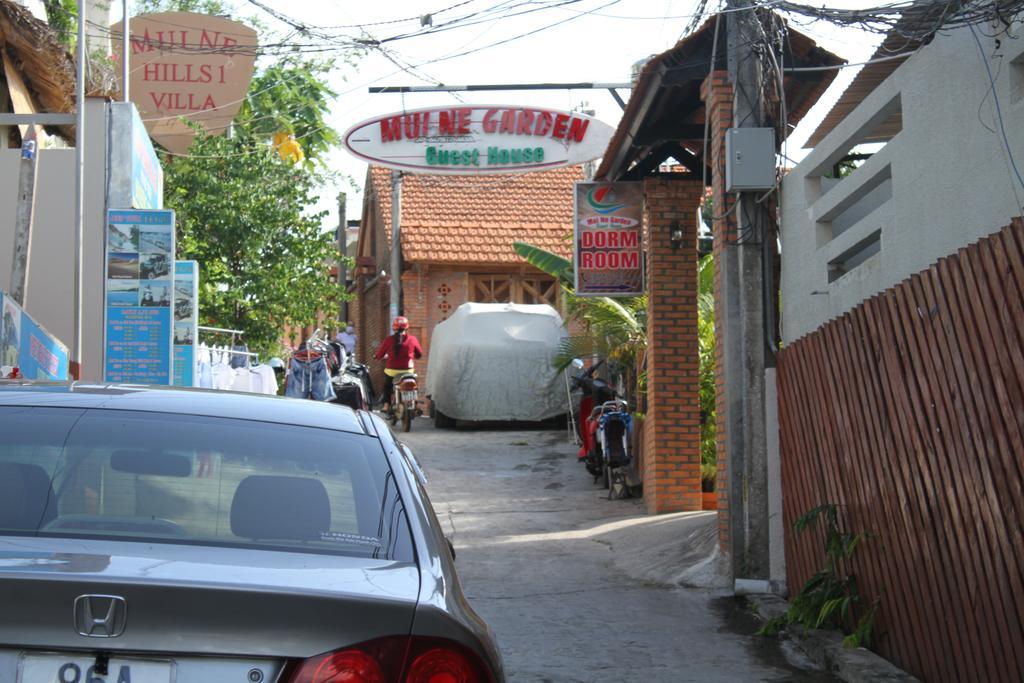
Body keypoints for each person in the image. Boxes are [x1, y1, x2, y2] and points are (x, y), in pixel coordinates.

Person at [374, 316, 423, 411]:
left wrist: (377, 356)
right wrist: (414, 356)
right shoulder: (412, 339)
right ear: (407, 327)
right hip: (408, 370)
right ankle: (415, 404)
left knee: (387, 386)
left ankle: (386, 405)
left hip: (392, 371)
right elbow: (419, 354)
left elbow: (380, 354)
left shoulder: (388, 340)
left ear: (394, 328)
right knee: (413, 385)